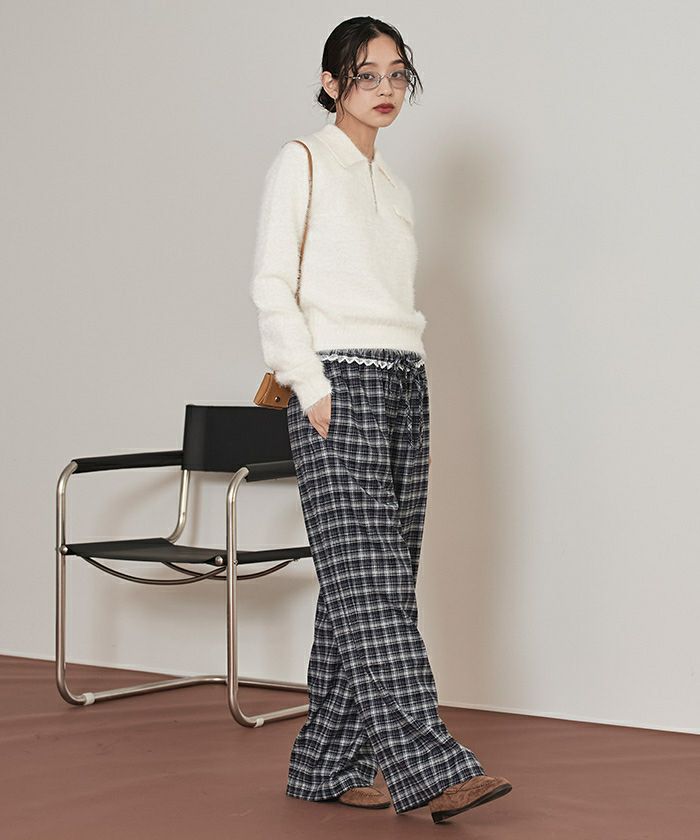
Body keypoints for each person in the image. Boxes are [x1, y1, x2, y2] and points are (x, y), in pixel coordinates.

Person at [249, 16, 512, 823]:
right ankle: (432, 767)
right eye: (368, 75)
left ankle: (327, 762)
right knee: (374, 585)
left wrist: (405, 380)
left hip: (403, 383)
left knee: (367, 580)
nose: (386, 89)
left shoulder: (394, 187)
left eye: (398, 74)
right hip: (338, 384)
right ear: (332, 83)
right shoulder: (302, 161)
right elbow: (272, 283)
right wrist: (310, 385)